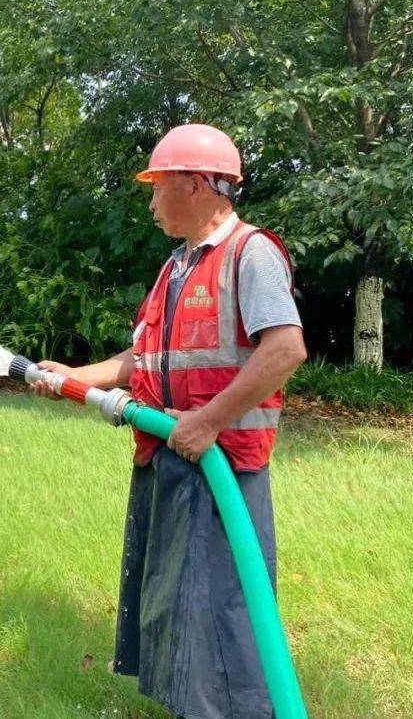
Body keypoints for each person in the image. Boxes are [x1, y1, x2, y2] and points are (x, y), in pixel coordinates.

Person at [32, 123, 307, 719]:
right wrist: (77, 376)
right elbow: (141, 359)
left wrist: (208, 421)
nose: (152, 201)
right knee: (172, 602)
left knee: (222, 608)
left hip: (221, 471)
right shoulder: (174, 269)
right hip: (169, 459)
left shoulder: (249, 253)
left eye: (158, 188)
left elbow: (284, 348)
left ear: (197, 184)